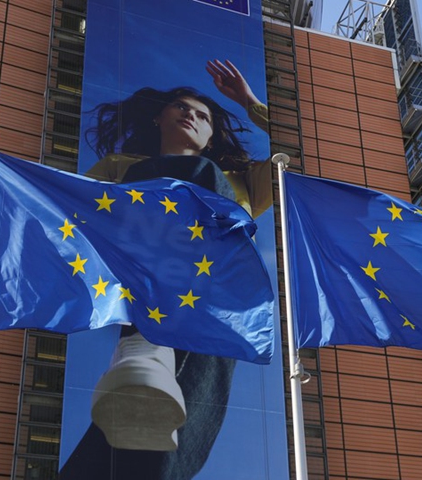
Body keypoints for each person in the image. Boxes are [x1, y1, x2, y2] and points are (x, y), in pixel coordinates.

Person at [60, 60, 271, 480]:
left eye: (203, 115)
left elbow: (300, 149)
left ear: (212, 135)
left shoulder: (242, 180)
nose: (191, 114)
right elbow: (76, 210)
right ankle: (145, 345)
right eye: (180, 107)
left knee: (176, 425)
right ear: (159, 116)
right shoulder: (123, 167)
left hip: (214, 299)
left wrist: (249, 102)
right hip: (146, 278)